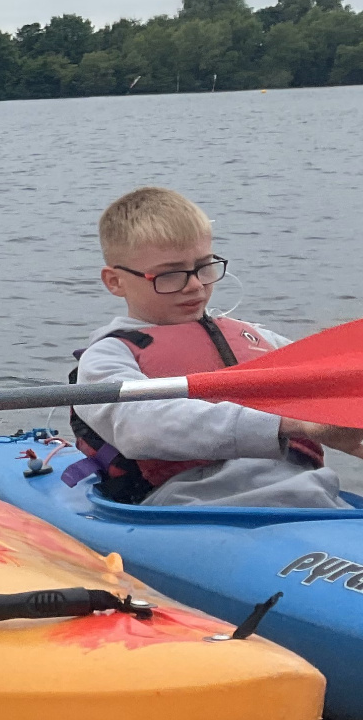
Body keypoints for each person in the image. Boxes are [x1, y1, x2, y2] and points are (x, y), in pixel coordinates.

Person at [67, 186, 363, 508]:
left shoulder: (259, 339)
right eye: (170, 275)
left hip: (315, 497)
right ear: (115, 282)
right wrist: (290, 423)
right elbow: (141, 425)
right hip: (197, 509)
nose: (195, 285)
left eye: (204, 267)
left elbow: (333, 380)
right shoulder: (107, 358)